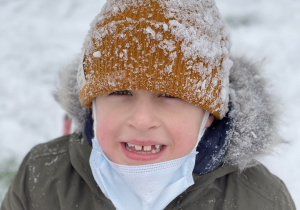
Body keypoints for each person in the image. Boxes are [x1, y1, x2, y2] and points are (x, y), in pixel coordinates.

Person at [1, 0, 296, 209]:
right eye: (119, 92)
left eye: (170, 95)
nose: (142, 120)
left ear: (209, 115)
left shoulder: (261, 200)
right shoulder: (42, 181)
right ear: (92, 104)